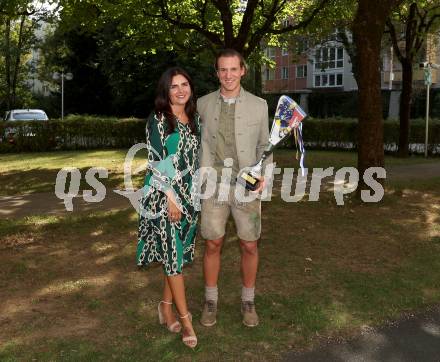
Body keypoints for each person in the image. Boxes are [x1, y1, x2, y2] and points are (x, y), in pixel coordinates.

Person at [197, 49, 272, 328]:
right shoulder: (203, 104)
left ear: (243, 70)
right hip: (213, 183)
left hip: (247, 186)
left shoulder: (259, 105)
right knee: (213, 243)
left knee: (249, 244)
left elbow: (266, 145)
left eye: (233, 69)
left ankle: (248, 300)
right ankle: (210, 300)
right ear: (216, 73)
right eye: (222, 70)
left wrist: (263, 175)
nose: (228, 75)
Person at [136, 67, 200, 348]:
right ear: (166, 91)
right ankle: (186, 320)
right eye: (174, 86)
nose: (181, 90)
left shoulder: (194, 118)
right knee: (173, 258)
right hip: (164, 197)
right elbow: (156, 160)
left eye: (184, 84)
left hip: (190, 197)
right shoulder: (159, 120)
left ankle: (164, 305)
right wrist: (170, 197)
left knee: (177, 256)